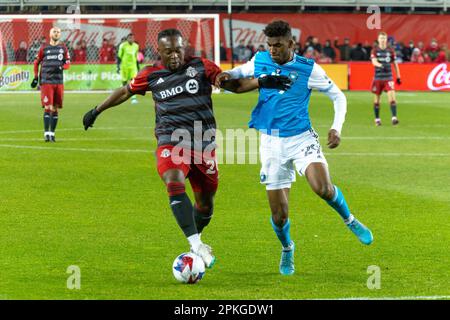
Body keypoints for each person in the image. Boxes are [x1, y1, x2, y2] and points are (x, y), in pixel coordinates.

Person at [82, 28, 290, 270]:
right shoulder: (150, 74)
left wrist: (260, 82)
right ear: (158, 52)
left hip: (204, 145)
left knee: (205, 205)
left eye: (178, 50)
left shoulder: (201, 66)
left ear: (184, 48)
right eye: (168, 51)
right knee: (173, 179)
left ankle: (195, 242)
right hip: (171, 140)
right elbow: (126, 91)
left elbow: (232, 84)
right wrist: (97, 110)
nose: (174, 56)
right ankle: (196, 244)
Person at [216, 20, 373, 276]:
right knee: (279, 215)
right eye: (269, 45)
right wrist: (226, 76)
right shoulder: (260, 61)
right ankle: (287, 248)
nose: (273, 50)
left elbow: (338, 96)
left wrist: (336, 127)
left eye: (278, 45)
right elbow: (237, 73)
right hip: (271, 143)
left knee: (322, 188)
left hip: (302, 139)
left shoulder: (308, 69)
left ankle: (350, 220)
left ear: (291, 43)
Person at [31, 27, 70, 142]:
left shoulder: (63, 48)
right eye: (54, 31)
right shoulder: (44, 48)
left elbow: (67, 63)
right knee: (48, 107)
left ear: (60, 34)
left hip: (58, 82)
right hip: (46, 81)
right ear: (50, 34)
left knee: (55, 108)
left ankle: (52, 134)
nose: (56, 33)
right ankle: (46, 133)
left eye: (58, 32)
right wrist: (35, 77)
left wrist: (61, 67)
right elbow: (36, 62)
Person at [370, 32, 401, 126]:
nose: (382, 40)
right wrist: (380, 65)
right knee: (376, 100)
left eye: (384, 38)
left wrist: (399, 76)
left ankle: (394, 118)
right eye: (381, 38)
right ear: (378, 39)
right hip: (378, 78)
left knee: (392, 98)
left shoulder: (390, 50)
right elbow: (374, 62)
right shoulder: (374, 50)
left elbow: (395, 64)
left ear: (386, 39)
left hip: (388, 77)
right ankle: (377, 119)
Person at [117, 33, 139, 104]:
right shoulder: (123, 45)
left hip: (133, 67)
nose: (131, 39)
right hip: (124, 67)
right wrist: (118, 66)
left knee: (133, 82)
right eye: (130, 38)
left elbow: (136, 57)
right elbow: (119, 57)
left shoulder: (136, 46)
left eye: (132, 38)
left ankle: (133, 98)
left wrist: (138, 67)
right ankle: (122, 96)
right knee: (124, 82)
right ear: (127, 39)